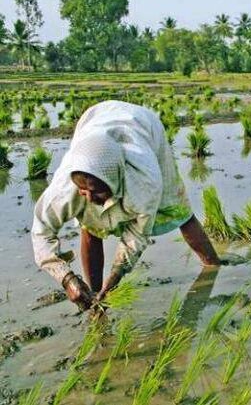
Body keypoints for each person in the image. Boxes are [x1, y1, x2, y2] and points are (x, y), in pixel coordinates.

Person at [31, 101, 221, 311]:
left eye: (97, 191)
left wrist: (117, 274)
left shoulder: (144, 181)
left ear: (115, 178)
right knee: (91, 224)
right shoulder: (65, 189)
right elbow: (40, 233)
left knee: (177, 208)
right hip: (93, 123)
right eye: (83, 191)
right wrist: (66, 278)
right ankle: (94, 298)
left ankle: (213, 265)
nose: (90, 197)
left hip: (143, 127)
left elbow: (137, 235)